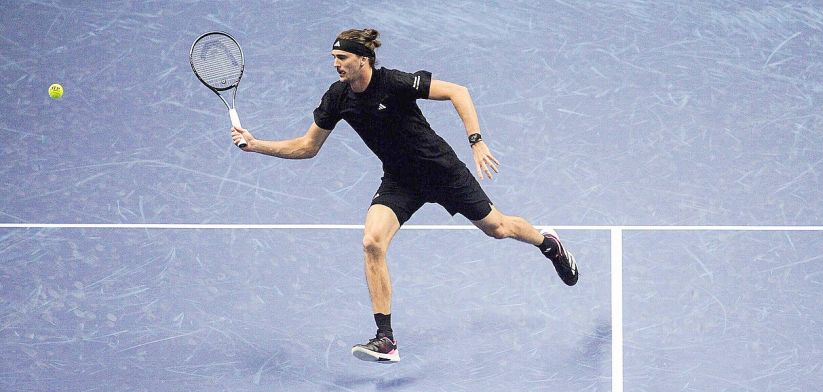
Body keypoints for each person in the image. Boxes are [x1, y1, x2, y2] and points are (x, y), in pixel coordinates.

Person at [231, 28, 578, 364]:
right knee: (372, 242)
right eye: (334, 58)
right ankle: (386, 339)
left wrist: (476, 141)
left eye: (342, 57)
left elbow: (458, 92)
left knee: (498, 227)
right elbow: (308, 146)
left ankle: (548, 243)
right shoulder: (338, 96)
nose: (336, 64)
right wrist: (257, 144)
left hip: (441, 171)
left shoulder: (394, 83)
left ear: (364, 60)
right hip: (400, 180)